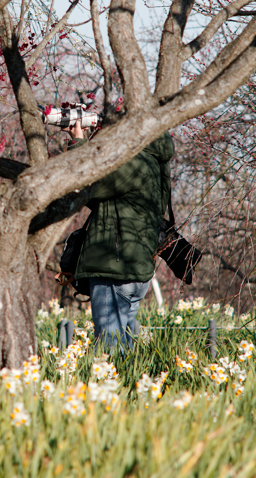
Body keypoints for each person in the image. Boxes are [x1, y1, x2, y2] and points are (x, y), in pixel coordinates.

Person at [64, 119, 174, 351]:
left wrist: (78, 143)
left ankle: (110, 387)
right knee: (122, 345)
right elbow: (104, 200)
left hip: (113, 267)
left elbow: (87, 186)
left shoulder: (135, 161)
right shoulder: (154, 160)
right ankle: (126, 384)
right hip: (133, 267)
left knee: (109, 348)